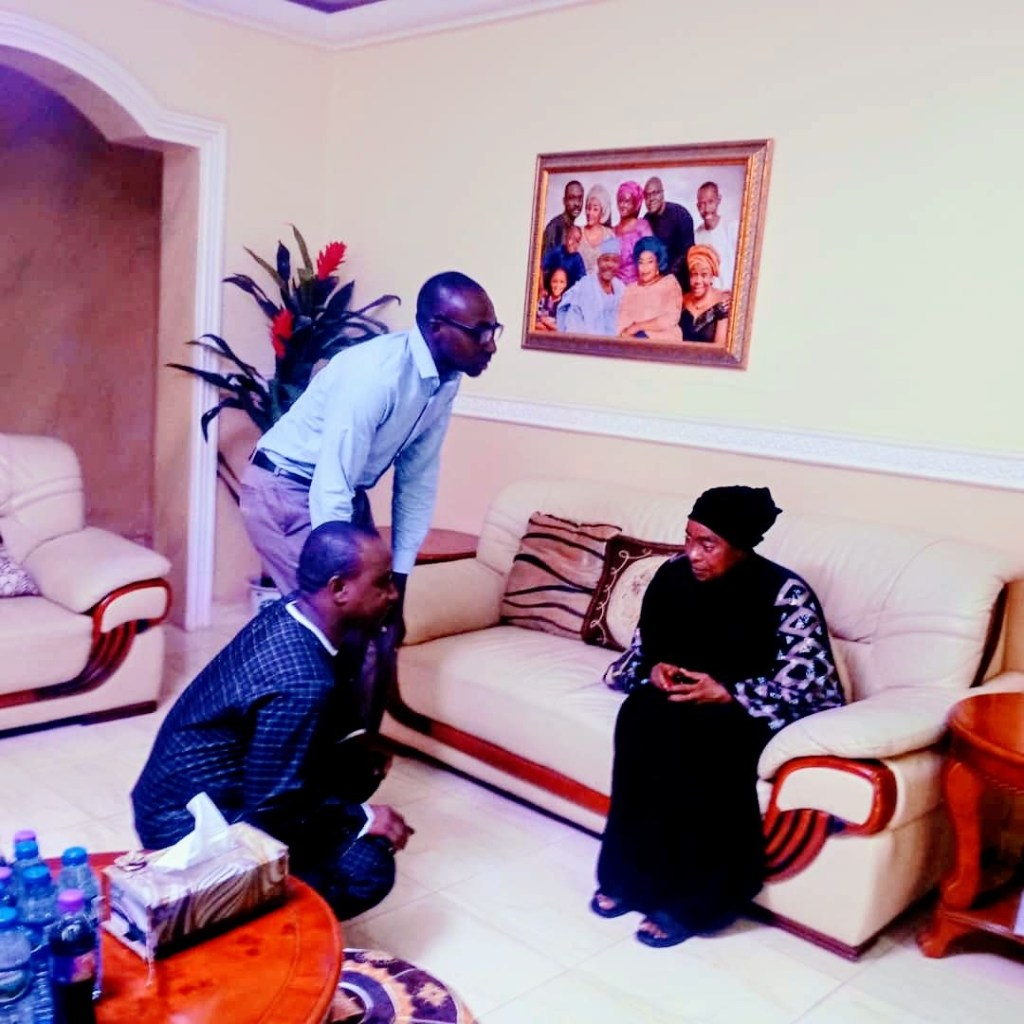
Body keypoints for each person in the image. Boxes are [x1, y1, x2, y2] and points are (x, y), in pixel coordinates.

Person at [239, 271, 500, 731]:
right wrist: (345, 584)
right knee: (329, 627)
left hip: (340, 491)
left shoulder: (446, 380)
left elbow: (417, 479)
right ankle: (294, 744)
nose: (491, 344)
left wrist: (398, 584)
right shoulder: (374, 377)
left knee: (377, 621)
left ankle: (358, 744)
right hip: (286, 490)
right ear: (436, 328)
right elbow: (330, 484)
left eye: (492, 330)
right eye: (479, 331)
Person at [591, 486, 845, 947]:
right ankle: (629, 879)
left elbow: (814, 687)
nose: (693, 554)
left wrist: (730, 692)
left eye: (708, 544)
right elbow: (647, 648)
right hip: (677, 698)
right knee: (639, 716)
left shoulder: (785, 593)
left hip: (745, 711)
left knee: (700, 742)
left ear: (741, 546)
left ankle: (694, 902)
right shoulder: (671, 576)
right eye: (689, 538)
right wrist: (657, 671)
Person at [132, 522, 415, 921]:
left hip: (174, 799)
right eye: (382, 583)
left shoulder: (289, 613)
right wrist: (362, 819)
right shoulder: (302, 681)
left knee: (357, 769)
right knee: (368, 867)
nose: (393, 593)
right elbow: (272, 807)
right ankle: (252, 922)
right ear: (339, 590)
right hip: (186, 830)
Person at [616, 236, 683, 342]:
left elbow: (670, 318)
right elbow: (622, 324)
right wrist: (632, 338)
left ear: (658, 263)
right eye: (641, 262)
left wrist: (638, 326)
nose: (644, 267)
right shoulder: (630, 289)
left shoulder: (669, 283)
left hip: (665, 344)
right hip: (633, 344)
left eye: (650, 262)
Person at [556, 236, 625, 335]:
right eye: (606, 260)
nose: (610, 265)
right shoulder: (585, 286)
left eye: (615, 261)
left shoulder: (621, 288)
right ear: (598, 262)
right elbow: (574, 325)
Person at [643, 176, 695, 291]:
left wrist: (666, 277)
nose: (650, 199)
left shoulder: (680, 214)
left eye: (654, 193)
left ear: (662, 193)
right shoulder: (646, 220)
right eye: (646, 195)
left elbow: (688, 252)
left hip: (681, 284)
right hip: (656, 284)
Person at [681, 244, 731, 344]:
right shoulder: (682, 300)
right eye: (694, 274)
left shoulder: (723, 302)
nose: (698, 281)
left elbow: (719, 348)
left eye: (704, 275)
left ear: (712, 276)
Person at [694, 181, 738, 289]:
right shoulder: (697, 235)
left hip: (731, 292)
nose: (706, 208)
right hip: (710, 294)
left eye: (710, 202)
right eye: (702, 204)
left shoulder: (732, 227)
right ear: (697, 206)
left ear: (718, 200)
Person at [612, 181, 653, 285]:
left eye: (627, 201)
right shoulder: (612, 231)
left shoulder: (643, 227)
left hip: (638, 287)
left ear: (635, 204)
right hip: (614, 288)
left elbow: (651, 259)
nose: (622, 205)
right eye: (620, 201)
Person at [541, 179, 584, 260]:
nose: (577, 204)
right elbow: (546, 263)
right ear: (564, 201)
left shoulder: (573, 228)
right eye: (572, 198)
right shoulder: (555, 227)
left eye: (580, 198)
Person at [578, 185, 615, 275]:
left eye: (595, 209)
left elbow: (613, 266)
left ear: (602, 211)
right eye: (588, 208)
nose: (590, 213)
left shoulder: (610, 235)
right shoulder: (577, 233)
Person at [535, 266, 569, 332]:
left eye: (562, 282)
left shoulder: (565, 305)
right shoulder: (542, 300)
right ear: (550, 282)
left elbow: (562, 329)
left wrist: (545, 321)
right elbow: (533, 322)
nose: (557, 285)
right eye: (554, 281)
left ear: (566, 284)